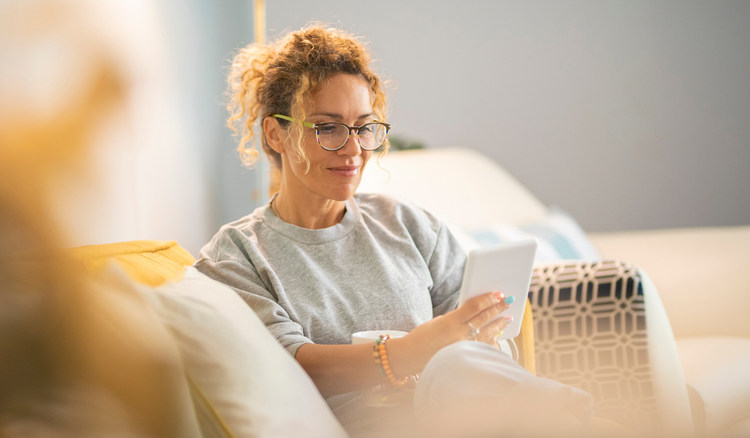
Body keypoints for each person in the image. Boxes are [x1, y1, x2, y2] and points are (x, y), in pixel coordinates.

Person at [195, 25, 594, 437]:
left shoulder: (407, 224)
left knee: (459, 365)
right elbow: (286, 367)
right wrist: (408, 354)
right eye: (327, 128)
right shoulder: (237, 255)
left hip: (468, 418)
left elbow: (486, 357)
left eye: (364, 127)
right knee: (454, 366)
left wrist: (486, 334)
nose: (354, 149)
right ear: (275, 132)